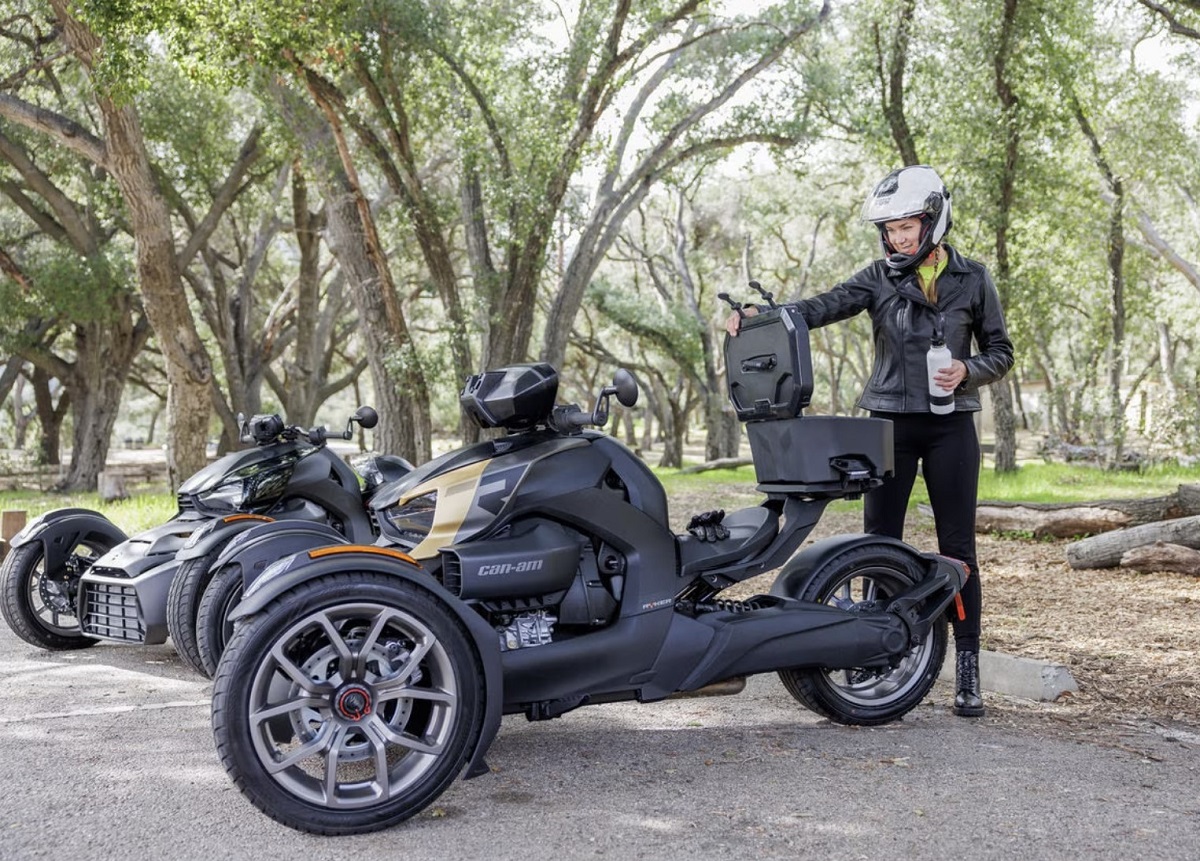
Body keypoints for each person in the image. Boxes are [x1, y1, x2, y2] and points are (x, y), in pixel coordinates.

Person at [726, 165, 1014, 717]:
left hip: (952, 425)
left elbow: (1001, 351)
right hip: (888, 424)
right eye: (890, 230)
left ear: (933, 220)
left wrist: (967, 370)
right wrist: (765, 315)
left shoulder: (973, 279)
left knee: (960, 552)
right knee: (879, 543)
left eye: (907, 226)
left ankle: (968, 670)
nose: (898, 238)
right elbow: (819, 307)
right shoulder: (876, 277)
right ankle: (875, 654)